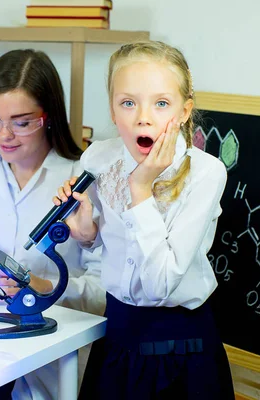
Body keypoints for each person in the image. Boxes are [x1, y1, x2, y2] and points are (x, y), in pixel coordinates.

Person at [54, 40, 235, 399]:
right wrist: (87, 232)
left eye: (161, 103)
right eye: (128, 103)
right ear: (112, 109)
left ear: (185, 111)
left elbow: (160, 284)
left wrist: (141, 188)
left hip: (182, 347)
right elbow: (108, 243)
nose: (143, 117)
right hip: (118, 334)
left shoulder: (205, 173)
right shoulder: (97, 159)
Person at [0, 49, 105, 400]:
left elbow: (102, 295)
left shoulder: (82, 182)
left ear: (48, 117)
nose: (4, 135)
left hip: (50, 364)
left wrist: (40, 285)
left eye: (21, 122)